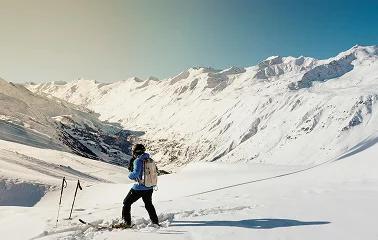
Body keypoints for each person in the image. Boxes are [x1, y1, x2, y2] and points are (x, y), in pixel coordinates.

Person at [121, 144, 159, 227]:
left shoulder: (137, 161)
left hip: (139, 188)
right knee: (149, 204)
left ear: (135, 152)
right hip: (149, 187)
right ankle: (155, 221)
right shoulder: (149, 159)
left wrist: (129, 175)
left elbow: (135, 174)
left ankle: (126, 223)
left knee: (126, 203)